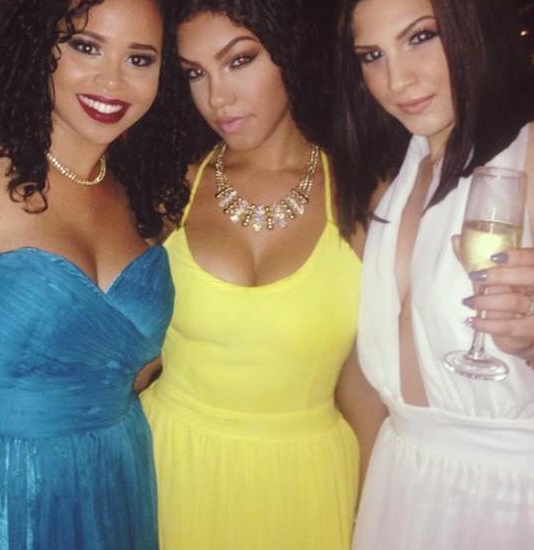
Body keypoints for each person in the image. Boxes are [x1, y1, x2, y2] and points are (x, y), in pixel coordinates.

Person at [0, 0, 188, 547]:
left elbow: (135, 370)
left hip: (109, 481)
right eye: (86, 46)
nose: (112, 80)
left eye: (140, 58)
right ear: (38, 47)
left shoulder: (147, 201)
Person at [139, 1, 385, 548]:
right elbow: (127, 348)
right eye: (195, 73)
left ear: (290, 54)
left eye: (239, 60)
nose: (216, 98)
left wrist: (371, 516)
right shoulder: (172, 189)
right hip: (170, 464)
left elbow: (365, 386)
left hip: (309, 483)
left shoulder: (364, 196)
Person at [333, 0, 534, 548]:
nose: (396, 80)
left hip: (508, 500)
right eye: (372, 55)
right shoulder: (400, 171)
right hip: (401, 481)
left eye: (421, 37)